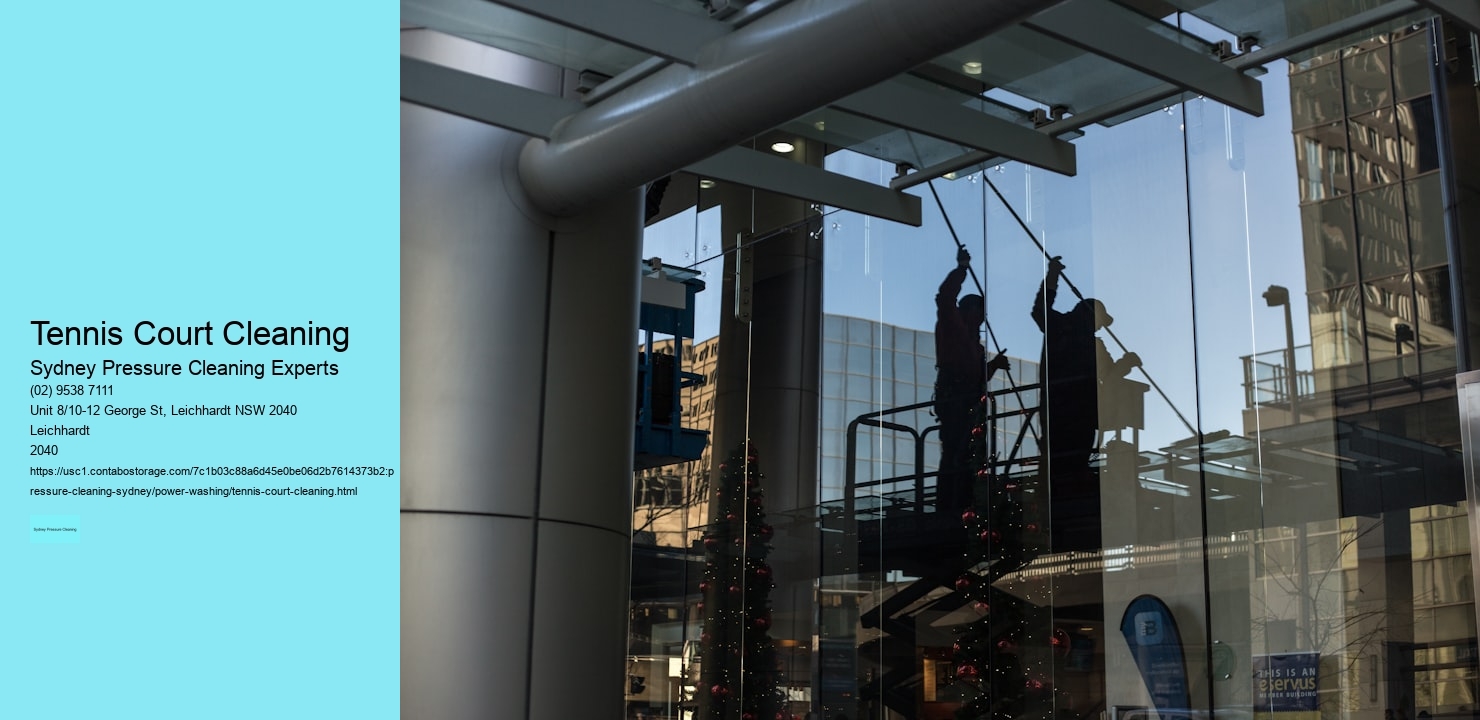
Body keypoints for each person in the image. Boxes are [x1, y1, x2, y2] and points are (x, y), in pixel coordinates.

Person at [1032, 256, 1139, 550]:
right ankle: (1058, 502)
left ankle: (1058, 499)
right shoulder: (1063, 328)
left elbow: (1107, 373)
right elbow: (1109, 375)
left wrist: (1125, 364)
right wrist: (1052, 276)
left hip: (1066, 411)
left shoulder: (1070, 333)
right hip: (1071, 411)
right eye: (1099, 323)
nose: (1099, 328)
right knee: (1067, 457)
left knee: (1065, 458)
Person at [936, 247, 1010, 513]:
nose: (982, 319)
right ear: (968, 311)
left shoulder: (972, 344)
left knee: (966, 451)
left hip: (965, 396)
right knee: (957, 451)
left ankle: (963, 501)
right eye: (980, 313)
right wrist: (961, 269)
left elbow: (976, 376)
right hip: (956, 397)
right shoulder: (952, 327)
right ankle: (951, 504)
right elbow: (945, 297)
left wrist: (993, 367)